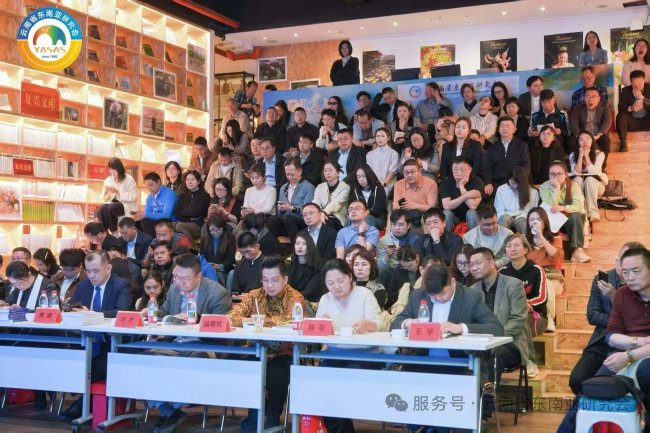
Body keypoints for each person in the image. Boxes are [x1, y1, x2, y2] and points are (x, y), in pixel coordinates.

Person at [148, 253, 230, 433]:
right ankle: (168, 411)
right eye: (176, 277)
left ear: (198, 276)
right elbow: (164, 312)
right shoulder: (174, 289)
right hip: (175, 343)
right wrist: (150, 314)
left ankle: (176, 406)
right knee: (143, 360)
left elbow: (221, 329)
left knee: (193, 362)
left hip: (203, 345)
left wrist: (196, 319)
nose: (179, 282)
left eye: (185, 279)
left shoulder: (217, 293)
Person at [229, 256, 303, 430]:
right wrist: (249, 321)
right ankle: (253, 419)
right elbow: (232, 317)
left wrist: (259, 321)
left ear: (285, 279)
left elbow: (291, 321)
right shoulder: (254, 295)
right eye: (265, 280)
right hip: (255, 350)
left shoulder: (295, 297)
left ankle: (272, 420)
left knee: (277, 375)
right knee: (248, 371)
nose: (269, 285)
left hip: (284, 353)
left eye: (275, 280)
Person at [567, 241, 644, 395]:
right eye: (621, 259)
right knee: (576, 380)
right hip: (601, 340)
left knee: (599, 383)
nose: (622, 265)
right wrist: (619, 322)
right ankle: (586, 407)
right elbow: (592, 315)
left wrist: (615, 298)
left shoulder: (642, 285)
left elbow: (638, 321)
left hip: (627, 345)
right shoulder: (602, 279)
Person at [316, 258, 383, 433]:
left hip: (365, 354)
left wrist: (368, 325)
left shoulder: (364, 294)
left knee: (343, 383)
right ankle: (340, 429)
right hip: (334, 353)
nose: (336, 286)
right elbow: (316, 329)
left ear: (350, 277)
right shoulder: (325, 299)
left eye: (340, 281)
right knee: (319, 383)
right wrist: (320, 324)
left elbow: (380, 323)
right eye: (330, 283)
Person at [390, 262, 504, 354]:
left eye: (443, 293)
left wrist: (461, 328)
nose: (439, 298)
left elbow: (496, 328)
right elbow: (394, 325)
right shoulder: (418, 295)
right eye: (433, 295)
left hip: (459, 361)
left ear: (453, 283)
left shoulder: (471, 297)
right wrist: (407, 323)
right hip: (423, 359)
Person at [597, 247, 650, 433]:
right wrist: (639, 342)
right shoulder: (621, 294)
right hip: (627, 351)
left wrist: (629, 356)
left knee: (646, 371)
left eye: (636, 271)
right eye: (625, 272)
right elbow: (611, 336)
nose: (630, 277)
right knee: (594, 387)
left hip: (639, 358)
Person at [468, 247, 528, 383]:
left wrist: (494, 338)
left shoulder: (513, 285)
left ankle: (487, 394)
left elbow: (518, 319)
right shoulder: (472, 291)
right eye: (471, 265)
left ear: (491, 262)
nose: (474, 268)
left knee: (494, 353)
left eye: (478, 263)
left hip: (510, 344)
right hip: (481, 344)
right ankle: (469, 393)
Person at [500, 233, 547, 377]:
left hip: (536, 317)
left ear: (525, 249)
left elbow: (542, 298)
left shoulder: (536, 270)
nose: (512, 249)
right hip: (509, 315)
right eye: (509, 246)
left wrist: (524, 304)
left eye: (516, 245)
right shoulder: (502, 272)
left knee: (521, 318)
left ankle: (530, 361)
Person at [539, 161, 590, 262]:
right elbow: (550, 207)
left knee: (576, 216)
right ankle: (548, 254)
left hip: (568, 220)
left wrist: (563, 208)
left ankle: (577, 252)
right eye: (552, 174)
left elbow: (579, 206)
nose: (555, 176)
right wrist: (557, 189)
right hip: (552, 220)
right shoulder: (544, 187)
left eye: (559, 173)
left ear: (566, 175)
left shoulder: (573, 185)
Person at [525, 207, 563, 333]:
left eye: (538, 219)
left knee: (546, 285)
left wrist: (541, 236)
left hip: (551, 276)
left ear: (544, 222)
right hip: (532, 277)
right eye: (531, 220)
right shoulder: (524, 241)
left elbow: (555, 256)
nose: (534, 222)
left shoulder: (555, 238)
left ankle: (549, 319)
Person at [69, 251, 131, 318]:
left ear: (108, 268)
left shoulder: (121, 285)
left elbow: (122, 312)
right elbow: (72, 307)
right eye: (88, 271)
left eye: (96, 271)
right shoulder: (82, 285)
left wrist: (91, 314)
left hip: (108, 324)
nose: (91, 276)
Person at [271, 157, 315, 240]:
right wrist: (281, 209)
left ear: (300, 171)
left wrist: (292, 208)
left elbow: (308, 212)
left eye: (292, 174)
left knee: (288, 219)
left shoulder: (309, 187)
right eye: (287, 174)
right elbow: (280, 215)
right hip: (286, 220)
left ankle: (295, 246)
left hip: (301, 222)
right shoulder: (283, 188)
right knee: (272, 219)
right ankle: (273, 246)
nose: (290, 177)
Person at [484, 116, 530, 195]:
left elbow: (526, 165)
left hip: (516, 182)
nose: (505, 128)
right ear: (498, 129)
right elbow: (488, 167)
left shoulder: (522, 145)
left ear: (514, 129)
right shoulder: (492, 147)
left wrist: (520, 181)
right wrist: (488, 182)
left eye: (508, 126)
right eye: (502, 126)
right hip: (497, 183)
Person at [569, 131, 608, 222]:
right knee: (577, 179)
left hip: (596, 187)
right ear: (578, 142)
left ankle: (593, 212)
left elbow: (594, 172)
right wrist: (580, 156)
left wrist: (586, 156)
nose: (585, 142)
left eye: (588, 139)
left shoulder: (600, 154)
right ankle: (581, 210)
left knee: (590, 179)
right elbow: (576, 172)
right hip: (580, 186)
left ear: (592, 141)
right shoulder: (573, 155)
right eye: (581, 140)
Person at [440, 156, 484, 232]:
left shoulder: (477, 182)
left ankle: (473, 239)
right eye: (455, 170)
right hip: (455, 218)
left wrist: (461, 186)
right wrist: (466, 196)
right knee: (446, 213)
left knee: (471, 213)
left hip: (473, 218)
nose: (458, 173)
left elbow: (472, 206)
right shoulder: (447, 183)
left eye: (462, 170)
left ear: (470, 169)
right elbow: (446, 206)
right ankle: (445, 238)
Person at [392, 159, 438, 230]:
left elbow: (432, 208)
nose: (409, 175)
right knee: (393, 216)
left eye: (412, 172)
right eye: (406, 173)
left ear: (420, 171)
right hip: (406, 213)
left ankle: (428, 237)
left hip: (424, 213)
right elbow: (395, 206)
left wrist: (415, 206)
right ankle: (391, 237)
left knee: (428, 217)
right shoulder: (398, 184)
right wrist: (408, 209)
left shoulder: (431, 184)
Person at [463, 204, 513, 268]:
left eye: (494, 223)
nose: (491, 228)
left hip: (501, 269)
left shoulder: (508, 234)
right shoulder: (468, 237)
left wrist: (491, 267)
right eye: (487, 225)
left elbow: (509, 257)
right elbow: (468, 260)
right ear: (478, 221)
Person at [97, 157, 137, 233]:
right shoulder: (108, 179)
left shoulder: (129, 179)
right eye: (110, 170)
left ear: (119, 169)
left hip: (125, 204)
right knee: (101, 209)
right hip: (112, 202)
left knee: (112, 207)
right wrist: (106, 192)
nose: (112, 172)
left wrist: (118, 192)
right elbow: (103, 199)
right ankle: (103, 231)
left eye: (114, 170)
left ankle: (114, 231)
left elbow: (133, 197)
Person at [494, 166, 539, 234]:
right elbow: (499, 210)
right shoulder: (501, 189)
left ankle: (526, 240)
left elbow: (531, 211)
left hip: (522, 217)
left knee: (521, 222)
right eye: (513, 183)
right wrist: (508, 216)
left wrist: (519, 217)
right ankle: (501, 240)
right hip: (507, 216)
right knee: (504, 219)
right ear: (508, 179)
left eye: (518, 184)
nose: (515, 186)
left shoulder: (532, 192)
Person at [134, 172, 178, 238]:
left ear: (159, 182)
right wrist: (139, 216)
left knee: (146, 222)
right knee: (137, 223)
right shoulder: (150, 197)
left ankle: (154, 242)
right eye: (147, 186)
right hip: (158, 220)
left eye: (151, 185)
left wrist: (145, 214)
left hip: (171, 221)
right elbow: (147, 213)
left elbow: (167, 216)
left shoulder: (169, 193)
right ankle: (145, 243)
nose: (149, 188)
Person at [376, 209, 420, 274]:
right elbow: (379, 269)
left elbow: (417, 265)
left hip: (408, 273)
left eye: (401, 225)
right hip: (389, 273)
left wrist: (403, 254)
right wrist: (387, 258)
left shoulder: (416, 240)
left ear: (408, 225)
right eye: (394, 224)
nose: (397, 228)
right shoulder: (384, 240)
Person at [616, 69, 650, 152]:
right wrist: (631, 108)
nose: (638, 87)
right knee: (620, 116)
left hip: (647, 121)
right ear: (631, 82)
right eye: (635, 84)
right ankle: (623, 143)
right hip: (633, 121)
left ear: (644, 80)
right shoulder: (625, 91)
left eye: (640, 84)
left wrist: (641, 97)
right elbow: (620, 108)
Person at [173, 170, 210, 244]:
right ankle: (173, 248)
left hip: (198, 224)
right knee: (168, 225)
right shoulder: (183, 194)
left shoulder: (204, 195)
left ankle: (192, 248)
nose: (190, 182)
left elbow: (197, 213)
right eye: (187, 180)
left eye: (192, 179)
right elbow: (176, 213)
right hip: (185, 222)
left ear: (198, 181)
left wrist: (183, 213)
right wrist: (189, 218)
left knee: (180, 226)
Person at [312, 160, 350, 229]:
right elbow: (316, 202)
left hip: (337, 219)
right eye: (325, 171)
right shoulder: (320, 187)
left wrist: (324, 213)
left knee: (326, 223)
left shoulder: (345, 187)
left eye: (330, 170)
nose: (327, 173)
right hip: (320, 216)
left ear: (338, 173)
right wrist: (318, 213)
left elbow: (336, 204)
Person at [199, 215, 236, 287]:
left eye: (219, 229)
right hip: (208, 268)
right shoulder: (204, 238)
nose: (215, 232)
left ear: (223, 227)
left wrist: (220, 266)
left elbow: (231, 259)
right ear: (208, 228)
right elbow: (202, 256)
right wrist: (209, 266)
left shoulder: (230, 237)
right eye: (212, 230)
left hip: (223, 270)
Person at [348, 164, 387, 229]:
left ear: (369, 175)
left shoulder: (379, 188)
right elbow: (351, 206)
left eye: (364, 176)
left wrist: (366, 212)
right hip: (359, 216)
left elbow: (378, 209)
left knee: (367, 219)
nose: (361, 179)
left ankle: (366, 236)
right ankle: (346, 235)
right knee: (349, 218)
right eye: (359, 177)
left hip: (377, 218)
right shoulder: (355, 190)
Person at [288, 233, 323, 303]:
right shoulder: (289, 264)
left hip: (310, 302)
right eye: (297, 243)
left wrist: (294, 298)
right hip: (293, 299)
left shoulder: (317, 266)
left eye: (304, 244)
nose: (300, 247)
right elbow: (288, 286)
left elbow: (310, 290)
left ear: (310, 246)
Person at [365, 127, 399, 192]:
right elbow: (369, 171)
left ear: (388, 138)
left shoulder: (394, 153)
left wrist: (383, 185)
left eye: (383, 136)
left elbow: (392, 172)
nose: (379, 138)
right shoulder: (369, 154)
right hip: (373, 185)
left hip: (388, 186)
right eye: (377, 136)